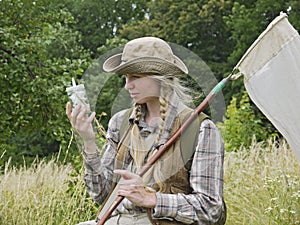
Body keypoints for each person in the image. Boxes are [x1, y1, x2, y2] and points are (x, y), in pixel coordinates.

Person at [66, 37, 226, 225]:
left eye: (135, 77)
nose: (127, 85)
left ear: (159, 76)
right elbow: (101, 195)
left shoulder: (200, 129)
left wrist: (153, 199)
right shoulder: (120, 123)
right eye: (126, 77)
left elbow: (210, 208)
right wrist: (88, 142)